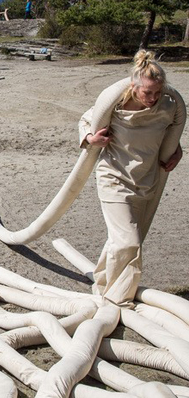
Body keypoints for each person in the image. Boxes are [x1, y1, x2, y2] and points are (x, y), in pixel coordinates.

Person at [80, 50, 185, 307]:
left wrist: (177, 150)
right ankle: (117, 300)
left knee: (121, 238)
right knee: (129, 240)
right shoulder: (115, 103)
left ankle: (103, 283)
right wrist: (90, 138)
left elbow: (170, 135)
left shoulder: (169, 106)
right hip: (113, 177)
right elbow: (86, 120)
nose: (152, 98)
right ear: (134, 86)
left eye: (157, 92)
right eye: (147, 92)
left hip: (146, 179)